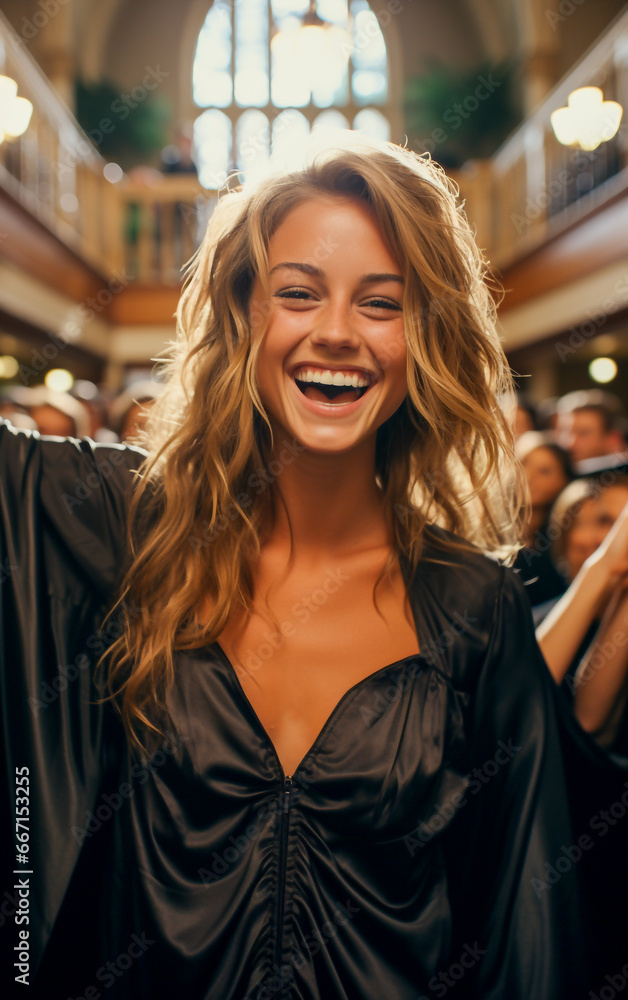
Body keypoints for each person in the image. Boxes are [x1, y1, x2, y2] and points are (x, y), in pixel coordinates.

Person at [1, 133, 625, 1000]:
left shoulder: (473, 603)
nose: (337, 334)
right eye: (298, 293)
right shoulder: (115, 525)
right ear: (243, 312)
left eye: (383, 303)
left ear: (426, 335)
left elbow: (530, 931)